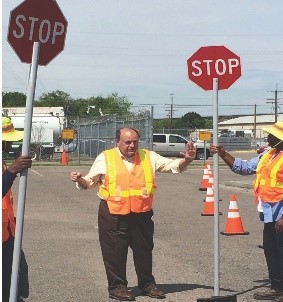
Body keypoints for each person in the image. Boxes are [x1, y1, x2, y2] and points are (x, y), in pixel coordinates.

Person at [70, 127, 196, 301]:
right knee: (114, 252)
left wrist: (186, 160)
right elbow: (90, 182)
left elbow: (171, 166)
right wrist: (80, 180)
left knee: (144, 251)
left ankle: (147, 284)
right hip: (113, 213)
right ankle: (117, 288)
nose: (132, 145)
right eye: (127, 142)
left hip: (141, 213)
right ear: (117, 142)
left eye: (135, 141)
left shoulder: (148, 156)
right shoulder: (105, 158)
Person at [210, 121, 283, 302]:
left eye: (272, 135)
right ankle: (277, 287)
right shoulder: (269, 154)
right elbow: (244, 167)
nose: (268, 137)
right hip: (270, 213)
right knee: (272, 250)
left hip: (281, 214)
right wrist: (223, 154)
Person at [2, 117, 32, 302]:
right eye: (6, 140)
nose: (10, 144)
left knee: (17, 281)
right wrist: (11, 172)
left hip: (7, 234)